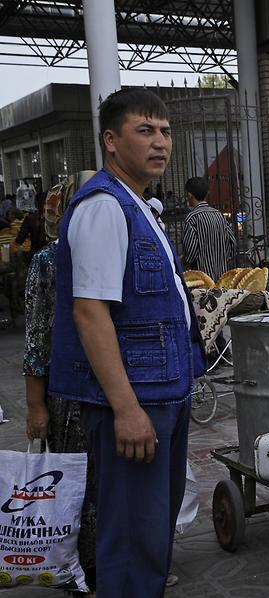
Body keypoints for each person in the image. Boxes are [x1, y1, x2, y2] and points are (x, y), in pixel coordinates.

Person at [48, 88, 206, 598]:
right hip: (137, 398)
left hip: (162, 389)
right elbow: (90, 314)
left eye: (165, 131)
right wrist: (126, 409)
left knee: (153, 526)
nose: (161, 142)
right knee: (134, 533)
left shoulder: (138, 203)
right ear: (111, 142)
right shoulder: (103, 207)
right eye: (145, 131)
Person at [24, 172, 97, 596]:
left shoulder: (114, 251)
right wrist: (36, 407)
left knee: (112, 484)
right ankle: (81, 574)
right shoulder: (48, 262)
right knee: (74, 485)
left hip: (116, 389)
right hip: (68, 393)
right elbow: (36, 340)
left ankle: (114, 564)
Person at [181, 176, 236, 283]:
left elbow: (190, 253)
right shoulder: (219, 215)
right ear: (207, 194)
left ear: (189, 195)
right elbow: (232, 244)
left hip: (201, 279)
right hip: (222, 277)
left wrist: (185, 261)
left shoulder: (192, 218)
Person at [15, 191, 48, 259]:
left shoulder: (30, 219)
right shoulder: (56, 219)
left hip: (36, 255)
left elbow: (20, 239)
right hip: (53, 256)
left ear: (36, 204)